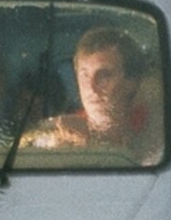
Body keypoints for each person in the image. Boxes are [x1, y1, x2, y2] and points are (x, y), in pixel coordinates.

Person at [32, 25, 161, 158]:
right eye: (85, 75)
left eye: (104, 75)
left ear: (131, 82)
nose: (91, 87)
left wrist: (93, 141)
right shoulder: (59, 135)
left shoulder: (154, 128)